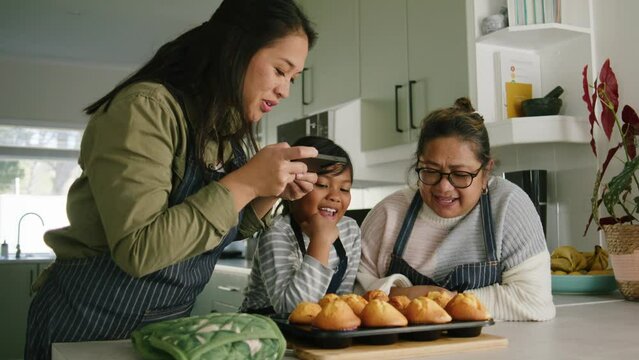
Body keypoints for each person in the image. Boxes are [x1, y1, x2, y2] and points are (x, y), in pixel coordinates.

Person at [25, 0, 319, 358]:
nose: (285, 90)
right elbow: (139, 249)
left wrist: (266, 192)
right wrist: (246, 183)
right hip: (87, 325)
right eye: (279, 70)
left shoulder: (224, 127)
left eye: (293, 78)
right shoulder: (145, 108)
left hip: (167, 333)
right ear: (235, 50)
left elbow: (215, 231)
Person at [357, 98, 556, 321]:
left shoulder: (509, 207)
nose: (444, 187)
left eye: (460, 175)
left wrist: (437, 299)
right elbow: (353, 298)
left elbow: (535, 301)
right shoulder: (388, 215)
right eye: (430, 171)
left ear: (486, 172)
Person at [241, 136, 361, 314]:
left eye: (344, 189)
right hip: (264, 327)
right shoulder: (277, 233)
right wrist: (321, 240)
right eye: (322, 185)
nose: (335, 196)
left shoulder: (349, 230)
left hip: (315, 330)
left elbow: (343, 299)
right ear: (293, 187)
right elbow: (292, 309)